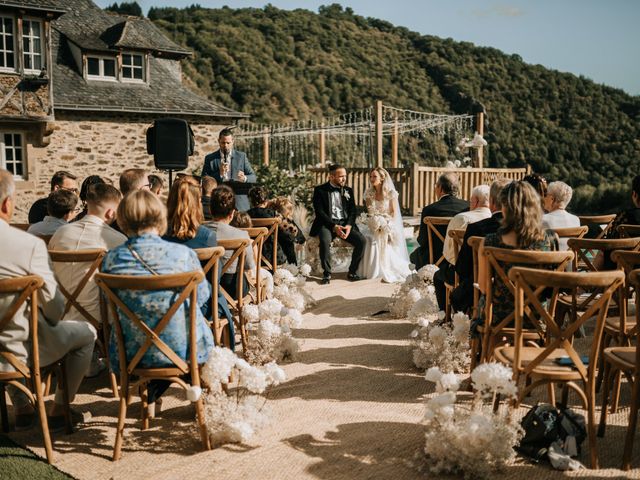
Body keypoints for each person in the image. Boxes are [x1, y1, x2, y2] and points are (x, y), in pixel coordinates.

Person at [0, 169, 96, 431]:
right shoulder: (28, 245)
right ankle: (57, 409)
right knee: (87, 333)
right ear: (7, 204)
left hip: (6, 346)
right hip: (24, 346)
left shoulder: (31, 234)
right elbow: (55, 310)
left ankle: (21, 404)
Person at [102, 190, 213, 404]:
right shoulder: (183, 255)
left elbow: (111, 305)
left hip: (132, 352)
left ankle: (152, 392)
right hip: (183, 348)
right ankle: (201, 398)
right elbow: (202, 298)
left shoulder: (111, 260)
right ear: (161, 216)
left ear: (123, 220)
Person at [163, 176, 235, 349]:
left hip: (165, 305)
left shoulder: (159, 234)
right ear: (199, 203)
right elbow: (213, 281)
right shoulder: (206, 237)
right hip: (199, 307)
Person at [478, 181, 559, 327]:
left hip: (499, 317)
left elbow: (484, 287)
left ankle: (486, 347)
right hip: (536, 317)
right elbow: (553, 286)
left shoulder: (489, 242)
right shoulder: (550, 240)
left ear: (504, 208)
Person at [49, 183, 126, 323]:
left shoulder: (60, 233)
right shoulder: (118, 240)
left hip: (58, 315)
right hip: (97, 318)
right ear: (111, 213)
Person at [451, 179, 509, 313]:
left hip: (481, 293)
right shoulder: (527, 233)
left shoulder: (476, 228)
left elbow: (461, 268)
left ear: (492, 202)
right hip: (526, 300)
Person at [434, 184, 491, 310]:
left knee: (438, 276)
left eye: (471, 201)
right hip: (491, 275)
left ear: (475, 201)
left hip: (462, 275)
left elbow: (449, 254)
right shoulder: (494, 219)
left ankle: (445, 315)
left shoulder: (461, 218)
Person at [309, 164, 365, 284]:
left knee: (361, 241)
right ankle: (327, 273)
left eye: (345, 176)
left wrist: (349, 226)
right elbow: (320, 212)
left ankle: (352, 271)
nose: (344, 179)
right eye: (341, 176)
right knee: (324, 241)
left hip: (344, 224)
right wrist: (334, 227)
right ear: (331, 176)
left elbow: (353, 211)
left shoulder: (348, 190)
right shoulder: (320, 190)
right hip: (326, 223)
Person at [357, 167, 411, 282]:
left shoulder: (391, 193)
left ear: (382, 178)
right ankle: (370, 270)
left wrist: (385, 222)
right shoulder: (369, 193)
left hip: (388, 222)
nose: (372, 179)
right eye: (371, 176)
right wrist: (376, 222)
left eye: (374, 176)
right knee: (369, 238)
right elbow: (370, 211)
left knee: (381, 236)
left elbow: (393, 212)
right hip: (374, 223)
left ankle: (384, 267)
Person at [204, 186, 257, 298]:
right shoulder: (242, 235)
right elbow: (248, 265)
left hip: (204, 287)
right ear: (232, 213)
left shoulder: (197, 232)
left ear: (210, 209)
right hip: (233, 288)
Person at [410, 172, 469, 269]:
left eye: (436, 186)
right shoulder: (467, 207)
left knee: (414, 256)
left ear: (441, 188)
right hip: (459, 258)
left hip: (434, 259)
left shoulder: (429, 210)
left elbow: (422, 240)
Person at [201, 128, 256, 211]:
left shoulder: (241, 156)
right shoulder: (210, 158)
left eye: (228, 143)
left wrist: (244, 178)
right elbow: (204, 179)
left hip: (239, 202)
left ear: (233, 142)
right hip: (218, 201)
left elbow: (253, 177)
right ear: (218, 141)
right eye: (223, 143)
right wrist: (219, 173)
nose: (225, 145)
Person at [247, 186, 289, 266]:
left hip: (252, 255)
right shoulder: (273, 214)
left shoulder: (246, 215)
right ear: (266, 201)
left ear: (251, 201)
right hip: (272, 255)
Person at [542, 181, 580, 250]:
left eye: (545, 195)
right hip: (570, 259)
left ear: (551, 199)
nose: (543, 198)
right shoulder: (576, 220)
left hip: (550, 260)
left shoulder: (543, 219)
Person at [269, 196, 306, 265]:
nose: (290, 213)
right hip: (282, 254)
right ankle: (293, 265)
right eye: (289, 210)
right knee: (288, 240)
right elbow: (295, 234)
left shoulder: (271, 217)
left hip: (271, 251)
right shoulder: (283, 221)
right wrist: (301, 240)